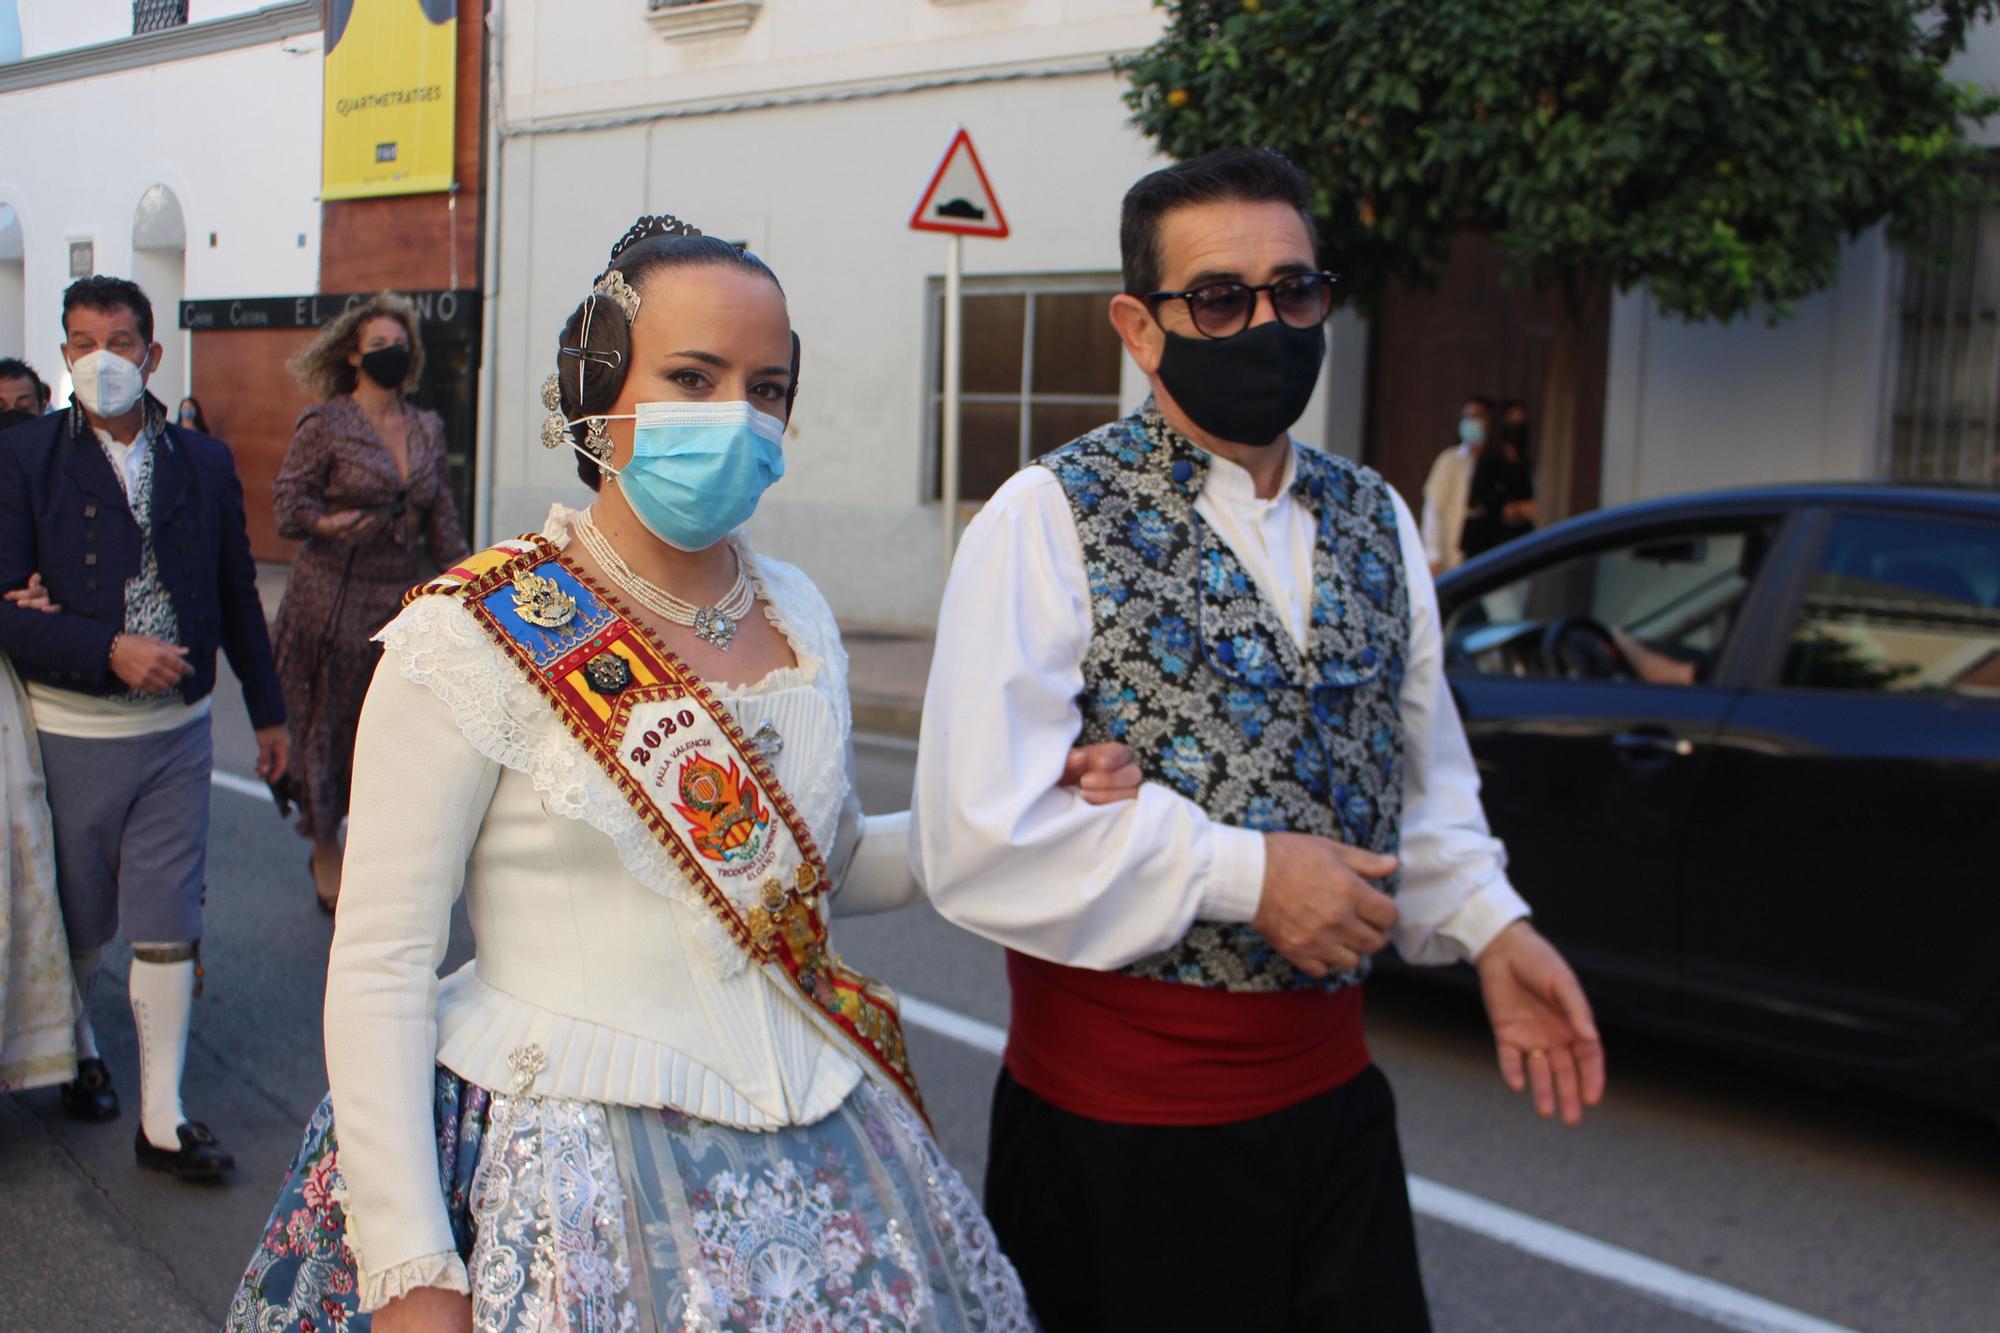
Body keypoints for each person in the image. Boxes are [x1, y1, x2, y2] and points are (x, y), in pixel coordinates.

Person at [226, 215, 1137, 1332]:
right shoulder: (472, 634)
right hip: (569, 1184)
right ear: (597, 391)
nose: (736, 417)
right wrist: (416, 1272)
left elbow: (827, 863)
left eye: (766, 388)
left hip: (826, 1153)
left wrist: (1023, 808)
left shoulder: (797, 612)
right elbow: (377, 967)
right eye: (692, 376)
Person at [912, 149, 1606, 1332]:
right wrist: (1245, 874)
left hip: (1332, 1108)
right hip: (1117, 1137)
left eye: (1295, 291)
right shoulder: (1047, 517)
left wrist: (1494, 928)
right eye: (1220, 299)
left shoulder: (1377, 516)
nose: (1266, 323)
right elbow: (976, 837)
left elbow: (1422, 777)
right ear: (1140, 326)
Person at [0, 275, 288, 1181]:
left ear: (152, 354)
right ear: (63, 353)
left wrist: (269, 710)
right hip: (72, 725)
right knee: (79, 910)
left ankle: (163, 1114)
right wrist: (104, 648)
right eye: (81, 342)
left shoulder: (202, 460)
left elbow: (240, 593)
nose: (101, 360)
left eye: (119, 342)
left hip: (181, 727)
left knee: (168, 911)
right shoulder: (24, 458)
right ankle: (78, 1040)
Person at [271, 292, 468, 912]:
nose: (390, 354)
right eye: (377, 345)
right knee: (324, 733)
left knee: (384, 735)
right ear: (353, 354)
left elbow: (443, 522)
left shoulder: (426, 426)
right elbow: (288, 505)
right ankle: (324, 842)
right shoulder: (326, 423)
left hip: (394, 606)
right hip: (326, 602)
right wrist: (329, 525)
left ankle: (371, 844)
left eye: (398, 345)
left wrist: (473, 584)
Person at [1420, 394, 1492, 576]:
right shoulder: (1449, 460)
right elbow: (1434, 509)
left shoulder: (1494, 462)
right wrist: (1434, 555)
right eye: (1467, 417)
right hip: (1452, 560)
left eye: (1477, 416)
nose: (1471, 422)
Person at [1460, 397, 1537, 561]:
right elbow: (1478, 502)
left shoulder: (1523, 463)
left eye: (1520, 422)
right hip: (1486, 547)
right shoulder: (1489, 460)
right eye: (1512, 421)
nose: (1516, 428)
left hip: (1516, 545)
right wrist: (1512, 509)